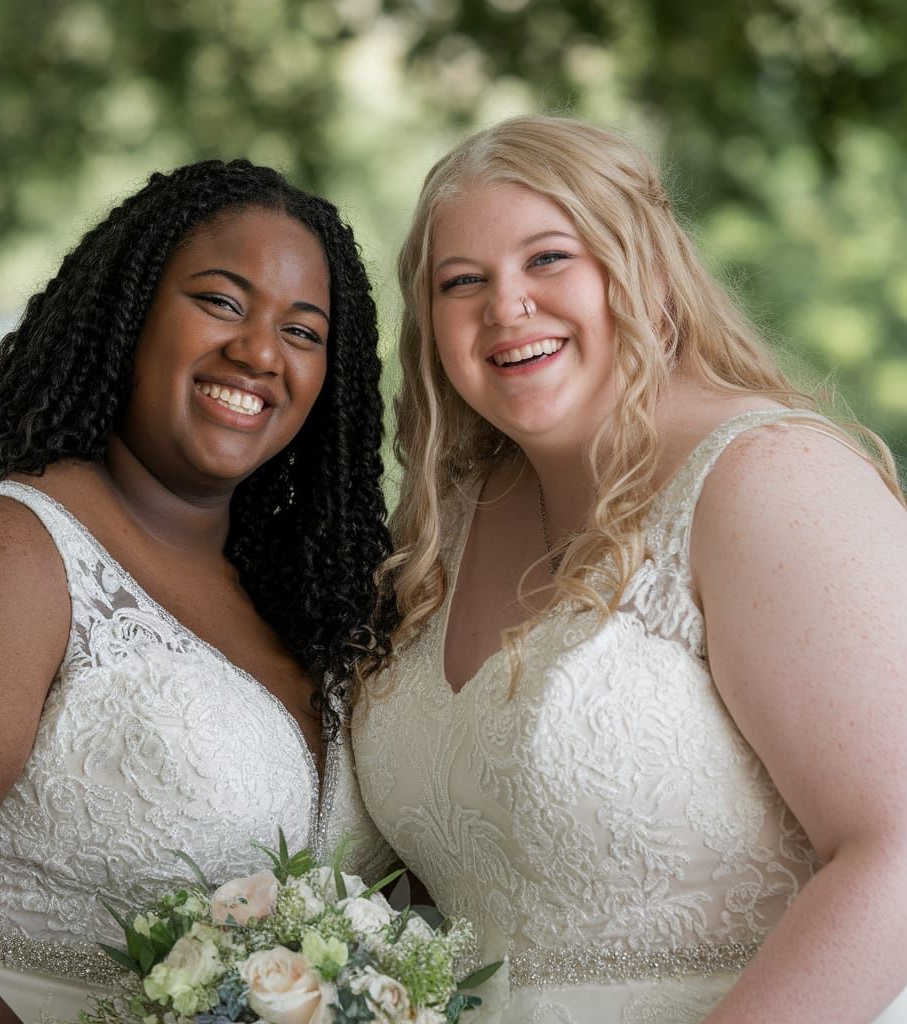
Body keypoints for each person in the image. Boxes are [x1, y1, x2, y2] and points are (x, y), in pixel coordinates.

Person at [351, 115, 907, 1023]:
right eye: (463, 282)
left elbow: (898, 854)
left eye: (547, 258)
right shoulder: (437, 535)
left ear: (645, 273)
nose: (506, 305)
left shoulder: (767, 479)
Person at [0, 158, 393, 1023]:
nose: (259, 352)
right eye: (221, 302)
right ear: (129, 313)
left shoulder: (312, 607)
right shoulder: (5, 549)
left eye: (303, 332)